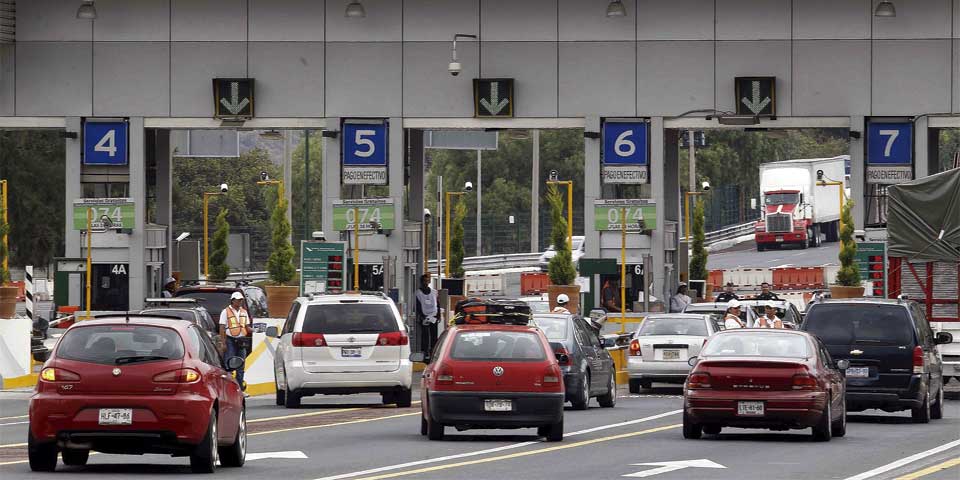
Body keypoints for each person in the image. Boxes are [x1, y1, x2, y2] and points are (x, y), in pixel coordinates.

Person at [219, 292, 251, 390]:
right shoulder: (225, 311)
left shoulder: (244, 312)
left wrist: (254, 330)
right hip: (230, 340)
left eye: (241, 300)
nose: (240, 302)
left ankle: (239, 389)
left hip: (242, 341)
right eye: (238, 300)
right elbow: (222, 327)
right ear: (232, 300)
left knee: (241, 366)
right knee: (229, 365)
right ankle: (227, 389)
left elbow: (247, 327)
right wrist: (223, 342)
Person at [415, 274, 439, 360]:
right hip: (424, 317)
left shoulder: (434, 292)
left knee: (434, 336)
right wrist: (422, 316)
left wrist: (438, 316)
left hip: (433, 316)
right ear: (421, 282)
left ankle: (433, 352)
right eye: (424, 281)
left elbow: (437, 304)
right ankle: (425, 353)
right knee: (425, 336)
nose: (426, 283)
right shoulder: (418, 293)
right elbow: (417, 306)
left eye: (427, 281)